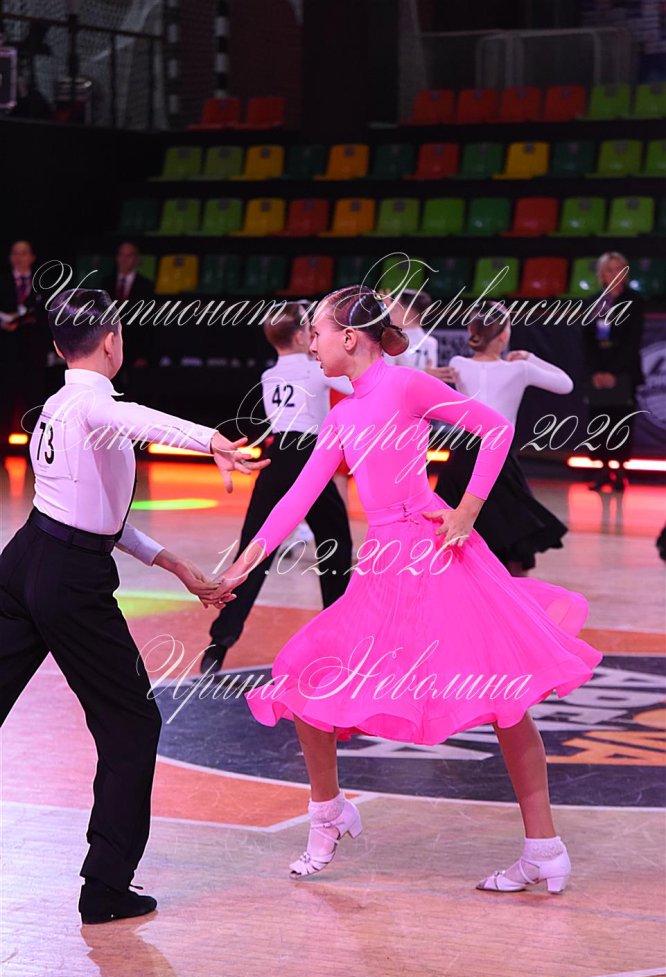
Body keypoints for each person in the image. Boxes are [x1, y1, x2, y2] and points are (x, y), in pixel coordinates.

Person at [207, 285, 603, 894]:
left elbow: (495, 431)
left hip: (437, 553)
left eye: (318, 332)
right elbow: (295, 499)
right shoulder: (342, 415)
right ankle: (328, 812)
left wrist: (467, 511)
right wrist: (241, 565)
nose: (311, 344)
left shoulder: (405, 385)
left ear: (349, 337)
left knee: (504, 694)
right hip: (384, 566)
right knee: (304, 671)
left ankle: (544, 848)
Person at [0, 289, 269, 924]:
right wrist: (211, 439)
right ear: (112, 340)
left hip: (25, 560)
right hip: (69, 581)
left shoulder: (58, 406)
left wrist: (175, 566)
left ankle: (107, 883)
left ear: (58, 345)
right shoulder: (95, 405)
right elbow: (141, 421)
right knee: (132, 724)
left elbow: (95, 516)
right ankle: (105, 888)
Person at [201, 301, 353, 674]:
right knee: (336, 546)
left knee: (254, 549)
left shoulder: (269, 374)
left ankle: (218, 644)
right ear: (302, 335)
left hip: (277, 458)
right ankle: (341, 639)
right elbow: (356, 383)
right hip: (310, 458)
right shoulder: (315, 368)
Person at [430, 303, 573, 576]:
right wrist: (530, 357)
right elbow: (566, 384)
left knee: (458, 536)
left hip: (463, 456)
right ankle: (511, 598)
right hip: (498, 457)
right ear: (504, 335)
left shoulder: (458, 363)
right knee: (513, 537)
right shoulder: (520, 369)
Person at [580, 252, 645, 492]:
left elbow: (632, 340)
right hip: (597, 373)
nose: (615, 274)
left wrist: (614, 372)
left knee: (621, 421)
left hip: (624, 372)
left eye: (619, 269)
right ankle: (603, 469)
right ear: (602, 274)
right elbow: (587, 341)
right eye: (610, 269)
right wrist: (596, 371)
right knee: (599, 420)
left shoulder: (634, 301)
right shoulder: (593, 302)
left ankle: (620, 471)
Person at [0, 239, 50, 444]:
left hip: (34, 356)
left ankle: (35, 453)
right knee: (4, 406)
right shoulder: (3, 282)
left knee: (34, 407)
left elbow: (48, 316)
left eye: (24, 253)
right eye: (15, 253)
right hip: (6, 356)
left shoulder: (42, 284)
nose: (19, 258)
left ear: (32, 257)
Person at [104, 241, 156, 368]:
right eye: (121, 255)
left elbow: (149, 324)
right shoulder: (106, 283)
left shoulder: (146, 286)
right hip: (109, 350)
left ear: (137, 259)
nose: (124, 259)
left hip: (135, 351)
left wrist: (144, 355)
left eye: (129, 255)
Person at [380, 287, 439, 370]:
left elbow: (386, 374)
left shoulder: (394, 341)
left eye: (394, 309)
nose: (391, 314)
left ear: (408, 314)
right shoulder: (431, 343)